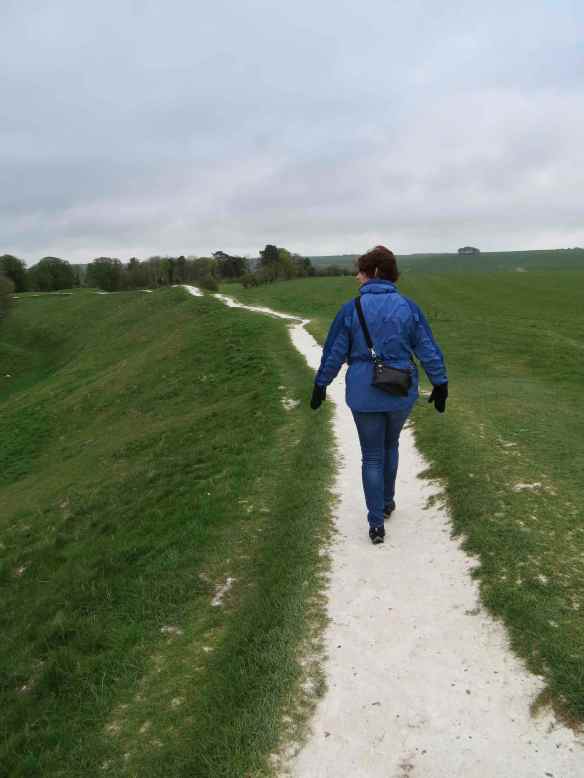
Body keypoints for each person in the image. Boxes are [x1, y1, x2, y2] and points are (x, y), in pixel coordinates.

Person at [310, 245, 448, 545]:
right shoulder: (408, 307)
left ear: (373, 272)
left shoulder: (351, 310)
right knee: (391, 444)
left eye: (360, 271)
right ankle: (387, 502)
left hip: (363, 391)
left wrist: (321, 382)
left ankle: (376, 524)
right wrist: (440, 382)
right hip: (401, 389)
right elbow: (426, 347)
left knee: (371, 455)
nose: (357, 277)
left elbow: (335, 351)